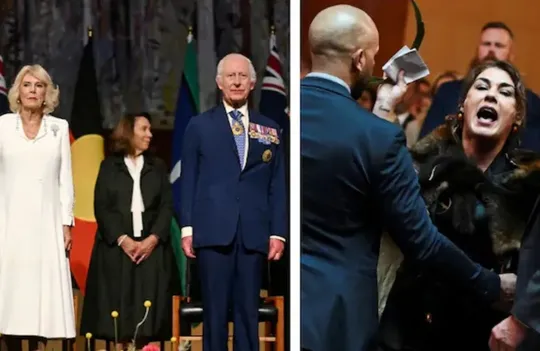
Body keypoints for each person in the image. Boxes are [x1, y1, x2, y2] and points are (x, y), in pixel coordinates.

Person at [300, 6, 514, 351]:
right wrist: (492, 286)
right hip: (339, 323)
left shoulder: (281, 113)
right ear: (358, 60)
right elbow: (421, 240)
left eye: (504, 91)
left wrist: (382, 107)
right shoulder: (382, 139)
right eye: (371, 56)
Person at [378, 60, 540, 351]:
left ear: (516, 117)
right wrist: (384, 106)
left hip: (485, 334)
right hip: (408, 328)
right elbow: (375, 182)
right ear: (464, 105)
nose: (491, 95)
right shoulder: (420, 164)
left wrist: (522, 319)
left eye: (505, 92)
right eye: (481, 87)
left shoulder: (530, 182)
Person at [179, 53, 287, 351]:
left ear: (252, 83)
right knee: (214, 314)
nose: (237, 81)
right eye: (231, 76)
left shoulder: (271, 129)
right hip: (212, 232)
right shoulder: (199, 126)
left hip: (253, 234)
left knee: (247, 314)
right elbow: (189, 180)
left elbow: (278, 185)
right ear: (219, 83)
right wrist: (187, 229)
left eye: (242, 76)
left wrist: (278, 233)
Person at [80, 113, 176, 348]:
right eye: (144, 129)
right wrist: (123, 240)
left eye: (150, 129)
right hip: (117, 250)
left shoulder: (157, 166)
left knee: (152, 313)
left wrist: (152, 239)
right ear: (128, 132)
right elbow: (102, 206)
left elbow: (166, 206)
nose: (150, 134)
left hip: (151, 251)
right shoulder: (109, 166)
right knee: (117, 313)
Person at [0, 64, 75, 348]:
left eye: (39, 86)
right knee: (11, 293)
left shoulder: (59, 128)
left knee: (41, 296)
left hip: (46, 222)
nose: (33, 90)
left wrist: (66, 223)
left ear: (47, 93)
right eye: (27, 85)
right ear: (18, 91)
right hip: (9, 221)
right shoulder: (2, 126)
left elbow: (64, 180)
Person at [419, 22, 540, 152]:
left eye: (499, 45)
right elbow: (425, 145)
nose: (491, 50)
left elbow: (532, 153)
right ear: (477, 50)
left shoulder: (530, 102)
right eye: (486, 44)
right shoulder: (448, 91)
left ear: (511, 54)